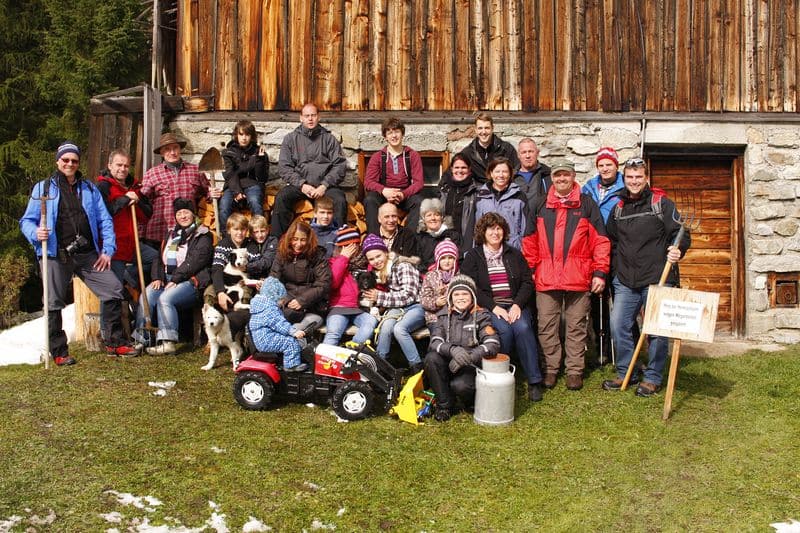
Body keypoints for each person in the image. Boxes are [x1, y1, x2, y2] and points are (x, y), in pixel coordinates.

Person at [20, 141, 140, 364]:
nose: (70, 164)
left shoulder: (89, 188)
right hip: (56, 253)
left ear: (78, 163)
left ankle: (114, 342)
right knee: (53, 302)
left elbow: (105, 219)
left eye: (74, 160)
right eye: (65, 160)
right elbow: (27, 220)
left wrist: (107, 250)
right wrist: (36, 233)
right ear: (58, 161)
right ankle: (59, 353)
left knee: (113, 289)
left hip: (87, 254)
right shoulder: (44, 188)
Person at [602, 158, 691, 397]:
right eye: (630, 177)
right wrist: (612, 272)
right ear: (624, 179)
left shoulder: (662, 204)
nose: (634, 181)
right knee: (618, 325)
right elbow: (611, 241)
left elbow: (681, 234)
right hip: (626, 279)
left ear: (646, 178)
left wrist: (677, 249)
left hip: (657, 278)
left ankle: (652, 377)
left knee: (656, 330)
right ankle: (626, 372)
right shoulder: (618, 208)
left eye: (638, 177)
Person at [521, 159, 610, 391]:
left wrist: (600, 272)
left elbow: (600, 241)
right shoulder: (540, 205)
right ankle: (550, 368)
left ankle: (574, 370)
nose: (561, 179)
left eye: (566, 175)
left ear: (573, 178)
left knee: (576, 325)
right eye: (557, 176)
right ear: (552, 178)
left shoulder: (587, 205)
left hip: (578, 277)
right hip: (546, 277)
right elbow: (529, 240)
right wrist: (531, 269)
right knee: (547, 325)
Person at [460, 212, 543, 401]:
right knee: (504, 330)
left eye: (498, 228)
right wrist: (493, 306)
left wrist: (517, 305)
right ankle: (501, 376)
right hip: (490, 306)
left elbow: (527, 283)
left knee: (522, 327)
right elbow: (469, 285)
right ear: (483, 232)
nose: (495, 232)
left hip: (514, 304)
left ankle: (534, 380)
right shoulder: (474, 256)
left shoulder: (513, 253)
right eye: (491, 228)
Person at [134, 198, 213, 355]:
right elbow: (158, 258)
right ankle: (142, 340)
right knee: (147, 296)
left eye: (186, 212)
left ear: (193, 214)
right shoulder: (171, 234)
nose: (183, 216)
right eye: (179, 213)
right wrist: (157, 276)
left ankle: (167, 342)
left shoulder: (203, 234)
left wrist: (176, 278)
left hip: (191, 281)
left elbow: (196, 261)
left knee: (166, 299)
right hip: (167, 279)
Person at [425, 274, 500, 421]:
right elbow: (434, 342)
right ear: (451, 297)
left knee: (460, 386)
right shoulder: (443, 315)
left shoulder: (481, 315)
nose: (460, 298)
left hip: (471, 366)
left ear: (472, 296)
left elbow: (493, 343)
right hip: (449, 361)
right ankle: (444, 405)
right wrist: (453, 350)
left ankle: (469, 401)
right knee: (431, 358)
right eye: (456, 294)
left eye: (465, 293)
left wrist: (469, 356)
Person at [270, 103, 347, 237]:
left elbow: (339, 166)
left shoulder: (328, 139)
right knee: (282, 197)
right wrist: (302, 185)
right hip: (301, 186)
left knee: (340, 200)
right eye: (307, 116)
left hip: (324, 187)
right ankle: (278, 242)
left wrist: (325, 185)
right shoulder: (290, 139)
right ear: (301, 118)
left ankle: (338, 240)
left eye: (313, 115)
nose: (310, 119)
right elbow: (284, 167)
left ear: (319, 117)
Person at [581, 146, 626, 365]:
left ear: (616, 166)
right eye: (601, 165)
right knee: (598, 303)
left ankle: (625, 351)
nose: (605, 168)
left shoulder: (625, 187)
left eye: (609, 164)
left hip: (618, 251)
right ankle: (603, 350)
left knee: (621, 303)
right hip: (593, 251)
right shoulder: (588, 188)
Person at [360, 234, 425, 375]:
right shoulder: (381, 273)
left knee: (399, 329)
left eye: (378, 256)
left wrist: (380, 297)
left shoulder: (403, 266)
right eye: (371, 259)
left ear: (386, 252)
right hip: (397, 307)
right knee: (386, 327)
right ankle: (380, 368)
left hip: (415, 306)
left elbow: (409, 295)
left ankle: (417, 369)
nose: (376, 261)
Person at [140, 132, 219, 246]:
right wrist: (140, 233)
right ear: (161, 152)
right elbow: (142, 202)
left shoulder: (195, 170)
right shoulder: (152, 174)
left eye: (175, 148)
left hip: (188, 232)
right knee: (158, 263)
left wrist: (211, 194)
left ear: (180, 149)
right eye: (167, 149)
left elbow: (206, 193)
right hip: (159, 232)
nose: (172, 152)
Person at [96, 149, 157, 291]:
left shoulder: (134, 186)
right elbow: (105, 212)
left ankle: (128, 276)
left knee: (156, 259)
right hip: (113, 247)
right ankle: (118, 306)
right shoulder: (103, 186)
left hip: (132, 244)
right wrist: (125, 199)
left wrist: (138, 202)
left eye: (126, 166)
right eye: (119, 165)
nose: (123, 169)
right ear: (110, 165)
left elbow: (147, 215)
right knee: (113, 291)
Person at [363, 117, 424, 235]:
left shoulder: (412, 155)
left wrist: (402, 194)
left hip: (404, 194)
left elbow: (419, 182)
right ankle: (374, 239)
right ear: (385, 137)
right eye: (390, 132)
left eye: (396, 131)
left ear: (402, 134)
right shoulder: (378, 157)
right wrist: (384, 191)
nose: (394, 136)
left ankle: (408, 238)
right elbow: (368, 181)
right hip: (384, 194)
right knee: (370, 200)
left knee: (420, 201)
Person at [269, 219, 331, 332]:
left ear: (309, 239)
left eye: (303, 240)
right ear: (289, 239)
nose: (298, 244)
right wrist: (283, 299)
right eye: (295, 239)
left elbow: (323, 284)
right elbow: (274, 279)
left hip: (312, 306)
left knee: (294, 330)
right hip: (287, 303)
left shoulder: (317, 255)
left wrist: (302, 301)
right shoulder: (282, 253)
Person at [321, 225, 379, 346]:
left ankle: (351, 352)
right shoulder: (333, 263)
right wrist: (344, 258)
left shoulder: (365, 263)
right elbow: (333, 283)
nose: (353, 249)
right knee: (334, 333)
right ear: (341, 247)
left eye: (356, 245)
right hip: (339, 307)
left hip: (358, 309)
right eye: (348, 246)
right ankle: (324, 361)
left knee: (371, 322)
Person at [249, 277, 309, 372]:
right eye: (281, 299)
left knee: (291, 339)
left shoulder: (262, 306)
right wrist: (294, 332)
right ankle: (291, 366)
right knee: (290, 343)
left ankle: (291, 359)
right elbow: (280, 324)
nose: (283, 302)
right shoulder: (269, 309)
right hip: (266, 340)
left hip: (266, 336)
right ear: (274, 297)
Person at [220, 119, 268, 231]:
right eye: (241, 134)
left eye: (247, 134)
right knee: (224, 206)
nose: (244, 138)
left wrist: (260, 160)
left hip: (252, 184)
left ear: (252, 136)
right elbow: (229, 174)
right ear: (236, 135)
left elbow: (262, 178)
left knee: (255, 202)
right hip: (232, 185)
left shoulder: (258, 152)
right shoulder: (228, 152)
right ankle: (225, 237)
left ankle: (259, 234)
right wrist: (237, 191)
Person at [474, 157, 531, 250]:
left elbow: (526, 228)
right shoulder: (480, 197)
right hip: (487, 250)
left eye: (505, 171)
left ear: (510, 174)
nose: (501, 175)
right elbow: (475, 227)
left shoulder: (519, 197)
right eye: (497, 171)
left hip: (513, 249)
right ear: (491, 174)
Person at [205, 212, 254, 314]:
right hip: (226, 281)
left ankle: (242, 321)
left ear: (247, 231)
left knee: (246, 295)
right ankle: (209, 320)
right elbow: (217, 268)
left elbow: (257, 266)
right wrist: (220, 291)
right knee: (209, 292)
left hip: (244, 282)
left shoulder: (251, 245)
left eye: (243, 229)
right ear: (229, 230)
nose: (239, 233)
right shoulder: (223, 245)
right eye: (236, 229)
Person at [456, 113, 519, 184]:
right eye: (480, 128)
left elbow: (516, 172)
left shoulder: (506, 149)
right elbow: (455, 174)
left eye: (487, 128)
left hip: (503, 192)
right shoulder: (467, 154)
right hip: (478, 193)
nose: (484, 132)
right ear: (475, 130)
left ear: (492, 128)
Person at [439, 154, 479, 255]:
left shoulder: (476, 191)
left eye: (463, 167)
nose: (460, 171)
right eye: (456, 167)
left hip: (467, 241)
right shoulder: (445, 190)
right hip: (446, 241)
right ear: (451, 169)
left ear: (469, 169)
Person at [420, 239, 460, 325]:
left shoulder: (460, 277)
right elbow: (423, 299)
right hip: (435, 318)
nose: (447, 261)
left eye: (450, 258)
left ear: (455, 259)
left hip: (456, 317)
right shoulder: (430, 276)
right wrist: (436, 302)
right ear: (438, 260)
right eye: (443, 258)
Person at [415, 198, 461, 270]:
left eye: (436, 215)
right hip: (426, 276)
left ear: (442, 217)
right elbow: (418, 262)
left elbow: (460, 259)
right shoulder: (418, 239)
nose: (433, 218)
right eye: (429, 215)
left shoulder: (453, 235)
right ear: (423, 219)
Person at [514, 138, 551, 209]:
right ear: (518, 155)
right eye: (524, 152)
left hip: (540, 218)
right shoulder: (511, 177)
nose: (527, 156)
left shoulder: (548, 175)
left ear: (537, 153)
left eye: (531, 151)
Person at [245, 215, 277, 283]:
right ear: (251, 233)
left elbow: (266, 262)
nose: (260, 235)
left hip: (268, 277)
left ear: (267, 230)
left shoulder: (272, 241)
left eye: (262, 231)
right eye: (256, 232)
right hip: (252, 279)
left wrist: (246, 267)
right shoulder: (249, 243)